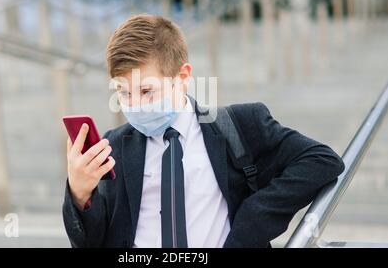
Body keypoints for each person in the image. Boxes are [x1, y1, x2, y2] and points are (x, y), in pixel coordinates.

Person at [62, 14, 345, 248]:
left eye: (146, 91)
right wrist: (80, 195)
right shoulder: (116, 145)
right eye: (123, 92)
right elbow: (91, 243)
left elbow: (322, 160)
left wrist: (253, 217)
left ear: (182, 77)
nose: (133, 105)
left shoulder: (239, 125)